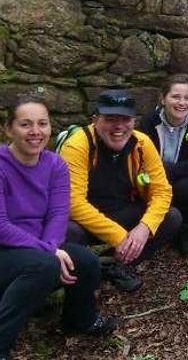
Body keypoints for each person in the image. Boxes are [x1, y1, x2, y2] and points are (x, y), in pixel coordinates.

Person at [0, 98, 117, 359]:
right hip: (5, 250)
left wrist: (51, 248)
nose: (36, 131)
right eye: (25, 124)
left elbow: (57, 214)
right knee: (43, 265)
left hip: (39, 247)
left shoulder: (55, 165)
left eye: (42, 124)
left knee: (86, 261)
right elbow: (1, 226)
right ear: (9, 129)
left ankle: (80, 320)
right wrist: (48, 252)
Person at [61, 90, 181, 292]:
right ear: (95, 120)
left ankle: (114, 265)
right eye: (110, 119)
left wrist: (144, 228)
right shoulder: (78, 145)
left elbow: (162, 192)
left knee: (171, 217)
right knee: (67, 232)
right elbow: (73, 203)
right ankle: (81, 272)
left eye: (125, 119)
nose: (119, 127)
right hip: (84, 221)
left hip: (123, 211)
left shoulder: (141, 143)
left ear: (133, 121)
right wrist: (118, 236)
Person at [138, 74, 188, 255]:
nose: (182, 103)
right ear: (163, 99)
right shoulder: (149, 121)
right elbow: (140, 156)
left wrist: (163, 170)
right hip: (155, 177)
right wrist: (158, 173)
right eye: (175, 97)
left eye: (187, 98)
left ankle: (187, 230)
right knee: (140, 181)